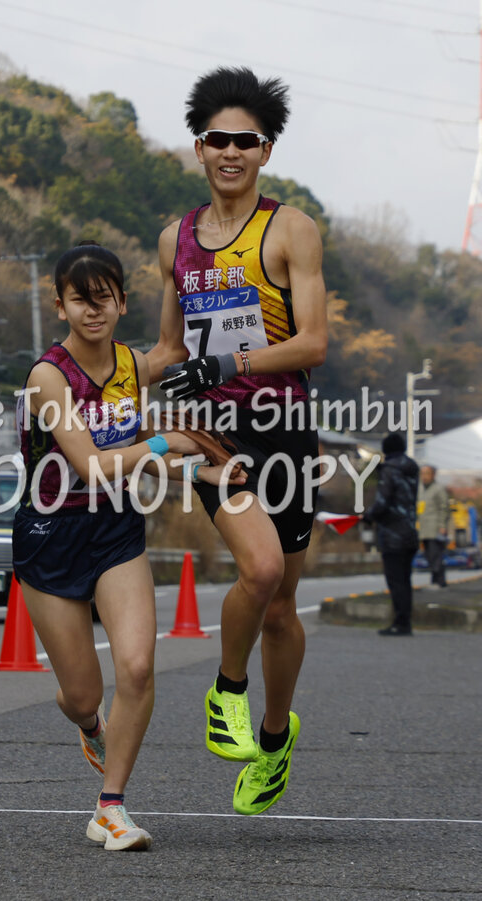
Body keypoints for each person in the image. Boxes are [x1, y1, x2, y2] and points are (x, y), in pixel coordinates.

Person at [12, 242, 245, 851]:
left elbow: (135, 442)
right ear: (59, 305)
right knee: (83, 694)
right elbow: (91, 465)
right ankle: (88, 721)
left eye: (105, 298)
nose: (93, 310)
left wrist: (200, 472)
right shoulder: (47, 377)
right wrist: (169, 444)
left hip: (115, 530)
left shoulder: (131, 365)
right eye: (80, 299)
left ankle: (110, 808)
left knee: (138, 667)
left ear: (121, 302)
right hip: (50, 535)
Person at [146, 67, 327, 816]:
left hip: (285, 430)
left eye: (244, 142)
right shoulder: (175, 241)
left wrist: (228, 362)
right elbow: (167, 351)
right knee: (259, 569)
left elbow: (313, 343)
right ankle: (227, 692)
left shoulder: (291, 229)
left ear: (265, 151)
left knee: (281, 607)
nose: (230, 152)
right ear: (198, 148)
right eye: (217, 139)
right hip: (212, 433)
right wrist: (88, 372)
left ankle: (276, 737)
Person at [362, 434, 419, 636]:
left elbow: (382, 502)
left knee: (396, 581)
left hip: (393, 534)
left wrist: (368, 516)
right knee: (405, 580)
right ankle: (405, 622)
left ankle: (400, 624)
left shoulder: (389, 470)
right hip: (410, 532)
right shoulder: (412, 469)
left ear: (386, 450)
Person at [418, 464, 450, 588]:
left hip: (435, 528)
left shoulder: (438, 489)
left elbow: (444, 508)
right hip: (423, 529)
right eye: (422, 473)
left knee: (435, 555)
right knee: (429, 555)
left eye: (427, 473)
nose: (424, 476)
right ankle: (434, 580)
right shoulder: (420, 489)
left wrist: (442, 526)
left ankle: (439, 581)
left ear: (433, 475)